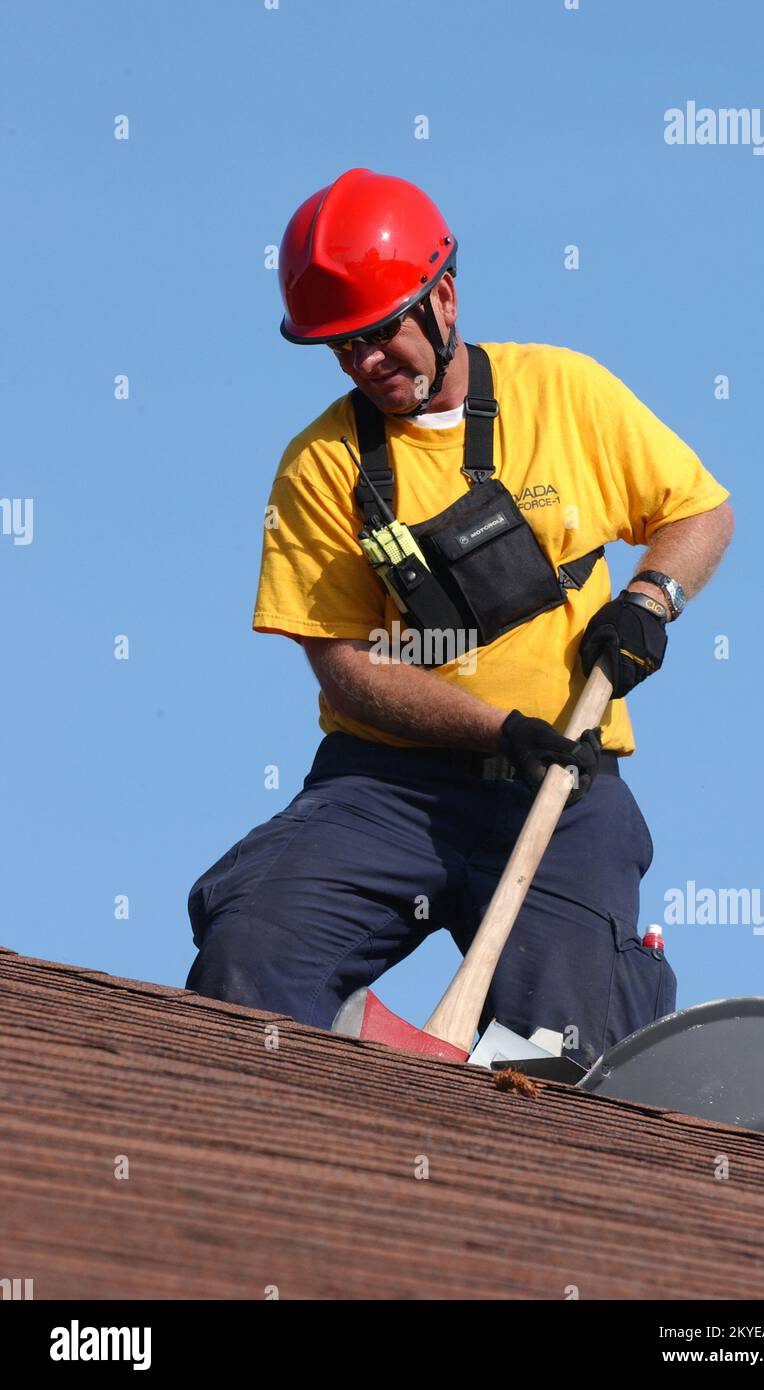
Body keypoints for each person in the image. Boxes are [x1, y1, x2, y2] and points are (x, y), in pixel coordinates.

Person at [184, 168, 734, 1068]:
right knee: (247, 959)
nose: (365, 364)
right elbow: (348, 671)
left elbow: (701, 514)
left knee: (566, 1056)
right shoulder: (319, 467)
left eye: (377, 335)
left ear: (442, 298)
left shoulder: (565, 391)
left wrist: (650, 600)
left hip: (564, 796)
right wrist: (501, 728)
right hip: (385, 789)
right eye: (339, 349)